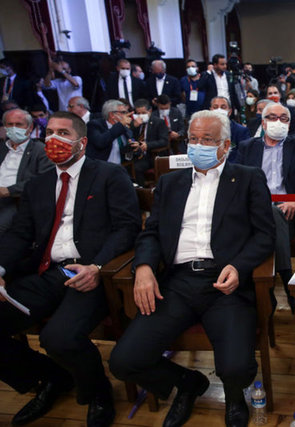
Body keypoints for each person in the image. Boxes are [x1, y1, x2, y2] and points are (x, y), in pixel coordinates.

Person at [109, 110, 274, 427]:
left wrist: (239, 267)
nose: (198, 146)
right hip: (177, 283)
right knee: (124, 361)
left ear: (225, 145)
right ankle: (187, 383)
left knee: (236, 367)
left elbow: (265, 235)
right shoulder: (171, 182)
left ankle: (234, 396)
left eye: (207, 140)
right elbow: (151, 233)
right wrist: (143, 267)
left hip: (225, 283)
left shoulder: (248, 178)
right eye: (193, 139)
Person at [0, 111, 140, 426]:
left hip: (89, 273)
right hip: (46, 272)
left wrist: (97, 266)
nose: (54, 139)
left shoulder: (108, 175)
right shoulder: (38, 185)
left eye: (63, 133)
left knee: (59, 338)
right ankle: (51, 377)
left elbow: (127, 227)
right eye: (49, 132)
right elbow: (20, 234)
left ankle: (98, 392)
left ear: (82, 142)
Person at [235, 102, 295, 308]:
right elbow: (237, 181)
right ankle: (288, 280)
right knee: (269, 213)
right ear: (263, 123)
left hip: (288, 212)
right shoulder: (247, 147)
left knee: (273, 213)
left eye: (283, 118)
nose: (278, 122)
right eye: (272, 117)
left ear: (289, 124)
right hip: (252, 212)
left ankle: (268, 291)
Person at [0, 108, 53, 233]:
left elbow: (43, 180)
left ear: (30, 128)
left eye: (18, 124)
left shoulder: (41, 150)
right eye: (10, 124)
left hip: (16, 200)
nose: (14, 128)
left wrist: (9, 190)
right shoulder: (2, 148)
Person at [129, 99, 169, 185]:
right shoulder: (134, 123)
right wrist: (133, 127)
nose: (141, 116)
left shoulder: (159, 122)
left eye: (143, 113)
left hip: (152, 155)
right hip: (136, 154)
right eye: (138, 113)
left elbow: (164, 141)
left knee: (137, 168)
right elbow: (129, 137)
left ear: (150, 111)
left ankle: (141, 189)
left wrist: (148, 145)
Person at [86, 100, 133, 164]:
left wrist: (136, 148)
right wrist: (120, 125)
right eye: (123, 112)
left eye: (127, 112)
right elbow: (100, 142)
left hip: (121, 167)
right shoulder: (94, 125)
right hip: (100, 167)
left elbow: (128, 151)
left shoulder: (125, 128)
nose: (126, 115)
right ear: (112, 115)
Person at [210, 96, 250, 162]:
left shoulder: (241, 131)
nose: (219, 110)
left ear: (230, 111)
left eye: (223, 107)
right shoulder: (203, 129)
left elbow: (244, 155)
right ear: (210, 110)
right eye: (215, 107)